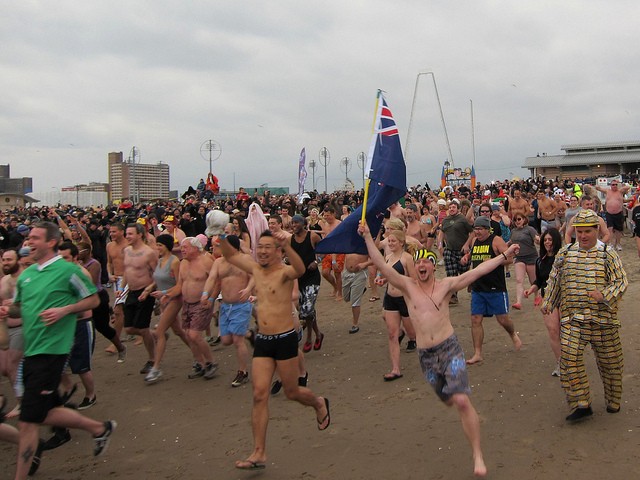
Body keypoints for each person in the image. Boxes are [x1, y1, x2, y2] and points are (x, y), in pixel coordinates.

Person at [360, 221, 521, 478]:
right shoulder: (408, 287)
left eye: (427, 263)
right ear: (416, 266)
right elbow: (380, 264)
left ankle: (477, 454)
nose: (422, 266)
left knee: (461, 400)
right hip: (427, 358)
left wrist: (504, 255)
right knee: (448, 400)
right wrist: (368, 236)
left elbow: (478, 271)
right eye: (419, 263)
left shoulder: (446, 286)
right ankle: (459, 406)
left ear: (434, 266)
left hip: (450, 350)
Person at [0, 222, 116, 479]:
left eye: (34, 238)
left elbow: (94, 299)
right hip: (32, 349)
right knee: (43, 413)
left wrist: (65, 310)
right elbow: (20, 308)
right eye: (28, 238)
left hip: (52, 350)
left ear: (51, 242)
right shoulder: (28, 275)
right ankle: (100, 428)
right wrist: (9, 309)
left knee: (29, 421)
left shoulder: (66, 271)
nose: (28, 242)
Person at [220, 229, 330, 471]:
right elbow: (229, 255)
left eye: (268, 247)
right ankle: (259, 452)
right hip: (264, 340)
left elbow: (300, 270)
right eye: (260, 247)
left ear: (278, 251)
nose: (262, 251)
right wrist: (217, 232)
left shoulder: (284, 273)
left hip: (285, 339)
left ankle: (319, 403)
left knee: (292, 392)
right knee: (259, 394)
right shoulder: (255, 270)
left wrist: (288, 246)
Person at [541, 209, 628, 422]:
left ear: (597, 230)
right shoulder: (565, 253)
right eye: (579, 231)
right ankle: (581, 402)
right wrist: (549, 300)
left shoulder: (608, 253)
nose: (582, 236)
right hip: (573, 318)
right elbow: (555, 279)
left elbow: (621, 281)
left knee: (611, 364)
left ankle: (613, 400)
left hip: (603, 320)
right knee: (568, 359)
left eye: (587, 231)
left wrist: (604, 294)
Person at [461, 216, 522, 365]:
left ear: (487, 229)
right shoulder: (475, 241)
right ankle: (477, 353)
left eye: (480, 229)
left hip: (495, 287)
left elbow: (509, 258)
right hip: (478, 287)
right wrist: (467, 257)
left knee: (502, 319)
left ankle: (513, 334)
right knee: (475, 319)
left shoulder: (496, 241)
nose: (477, 232)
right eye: (475, 229)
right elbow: (475, 260)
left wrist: (493, 261)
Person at [201, 235, 253, 387]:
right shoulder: (218, 262)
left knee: (237, 340)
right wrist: (206, 295)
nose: (217, 248)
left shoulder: (245, 260)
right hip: (226, 306)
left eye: (221, 245)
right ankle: (249, 333)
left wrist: (249, 289)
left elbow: (255, 275)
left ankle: (243, 372)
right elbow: (212, 279)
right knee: (226, 340)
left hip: (241, 305)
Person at [168, 237, 217, 380]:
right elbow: (179, 285)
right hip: (187, 303)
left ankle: (211, 362)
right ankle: (200, 363)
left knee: (195, 335)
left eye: (185, 247)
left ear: (196, 248)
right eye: (181, 247)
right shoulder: (183, 263)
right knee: (188, 334)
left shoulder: (206, 262)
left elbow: (216, 281)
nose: (182, 250)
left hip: (201, 303)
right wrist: (167, 294)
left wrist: (211, 299)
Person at [144, 234, 190, 384]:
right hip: (163, 300)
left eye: (160, 245)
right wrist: (148, 289)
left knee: (160, 331)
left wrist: (165, 293)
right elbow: (157, 280)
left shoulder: (174, 261)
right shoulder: (159, 261)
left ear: (167, 246)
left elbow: (179, 285)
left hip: (174, 300)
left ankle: (156, 368)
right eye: (157, 245)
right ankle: (199, 355)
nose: (157, 248)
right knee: (178, 331)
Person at [524, 228, 563, 376]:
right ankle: (560, 363)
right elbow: (539, 280)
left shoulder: (563, 258)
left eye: (550, 240)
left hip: (564, 298)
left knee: (566, 332)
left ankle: (571, 361)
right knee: (553, 331)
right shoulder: (540, 261)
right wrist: (531, 289)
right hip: (548, 299)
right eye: (545, 240)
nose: (547, 242)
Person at [121, 223, 159, 375]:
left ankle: (152, 359)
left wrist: (149, 289)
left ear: (139, 235)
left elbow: (158, 275)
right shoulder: (127, 250)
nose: (127, 236)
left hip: (146, 293)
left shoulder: (148, 253)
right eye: (127, 233)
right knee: (129, 328)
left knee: (142, 328)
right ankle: (156, 335)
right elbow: (127, 271)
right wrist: (121, 288)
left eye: (130, 234)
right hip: (131, 291)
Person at [379, 229, 416, 380]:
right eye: (389, 241)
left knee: (413, 334)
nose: (390, 243)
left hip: (404, 299)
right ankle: (395, 369)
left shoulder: (407, 258)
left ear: (401, 242)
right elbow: (389, 276)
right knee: (392, 334)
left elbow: (414, 280)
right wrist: (383, 280)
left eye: (393, 241)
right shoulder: (387, 257)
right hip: (390, 298)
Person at [289, 215, 324, 352]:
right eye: (292, 223)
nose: (293, 225)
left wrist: (317, 262)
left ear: (304, 224)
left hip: (312, 278)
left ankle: (309, 337)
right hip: (299, 278)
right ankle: (318, 334)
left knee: (307, 308)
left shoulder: (313, 236)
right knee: (307, 310)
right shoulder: (289, 240)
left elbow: (323, 251)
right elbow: (285, 254)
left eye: (296, 222)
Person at [0, 249, 25, 418]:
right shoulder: (4, 280)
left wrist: (15, 305)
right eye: (4, 260)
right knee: (5, 369)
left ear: (18, 260)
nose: (6, 262)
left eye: (9, 259)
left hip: (22, 327)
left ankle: (22, 403)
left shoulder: (24, 279)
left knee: (13, 365)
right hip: (4, 327)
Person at [438, 200, 473, 305]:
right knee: (451, 273)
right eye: (450, 207)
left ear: (458, 209)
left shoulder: (462, 219)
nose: (451, 209)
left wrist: (467, 244)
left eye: (453, 207)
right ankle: (453, 296)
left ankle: (471, 284)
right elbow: (441, 232)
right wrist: (440, 245)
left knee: (463, 272)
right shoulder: (446, 220)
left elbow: (472, 232)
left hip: (462, 250)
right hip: (449, 250)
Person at [105, 222, 128, 355]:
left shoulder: (128, 246)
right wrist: (109, 274)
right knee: (124, 310)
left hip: (128, 279)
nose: (111, 234)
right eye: (111, 232)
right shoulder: (109, 246)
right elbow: (109, 262)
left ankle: (115, 342)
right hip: (116, 280)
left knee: (118, 310)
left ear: (121, 232)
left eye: (114, 231)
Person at [508, 214, 539, 309]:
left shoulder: (529, 229)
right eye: (515, 220)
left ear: (524, 219)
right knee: (519, 280)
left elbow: (536, 238)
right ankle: (518, 302)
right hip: (519, 257)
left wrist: (537, 240)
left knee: (533, 280)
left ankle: (537, 296)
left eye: (519, 219)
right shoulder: (513, 231)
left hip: (531, 257)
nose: (517, 221)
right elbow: (511, 241)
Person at [595, 180, 631, 251]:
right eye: (613, 185)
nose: (614, 186)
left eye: (616, 185)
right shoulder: (607, 191)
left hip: (618, 213)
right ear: (610, 185)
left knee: (618, 230)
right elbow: (597, 188)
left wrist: (620, 183)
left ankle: (618, 244)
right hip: (609, 213)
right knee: (610, 229)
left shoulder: (620, 191)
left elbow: (628, 187)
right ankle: (610, 243)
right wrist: (596, 186)